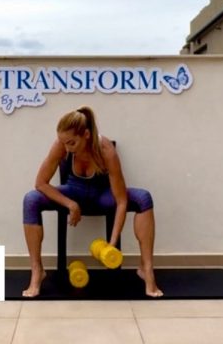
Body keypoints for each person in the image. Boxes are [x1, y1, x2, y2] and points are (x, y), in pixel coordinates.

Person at [22, 106, 163, 297]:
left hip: (103, 195)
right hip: (73, 192)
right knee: (31, 199)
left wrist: (111, 244)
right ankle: (37, 271)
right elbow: (40, 183)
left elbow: (121, 201)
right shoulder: (61, 145)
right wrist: (70, 204)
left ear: (86, 135)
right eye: (63, 143)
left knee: (143, 197)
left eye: (71, 143)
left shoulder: (106, 150)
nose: (66, 148)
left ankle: (146, 269)